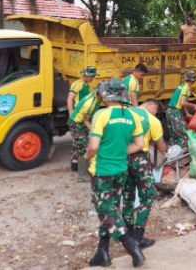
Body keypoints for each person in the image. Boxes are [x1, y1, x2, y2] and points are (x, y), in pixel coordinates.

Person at [84, 78, 146, 268]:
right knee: (111, 210)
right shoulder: (132, 115)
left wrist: (87, 155)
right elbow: (139, 145)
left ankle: (132, 248)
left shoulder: (101, 115)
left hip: (102, 170)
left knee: (105, 210)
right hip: (121, 170)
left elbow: (93, 146)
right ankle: (102, 253)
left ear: (106, 95)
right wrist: (120, 151)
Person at [123, 99, 167, 250]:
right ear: (153, 107)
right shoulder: (152, 120)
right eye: (156, 110)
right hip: (139, 160)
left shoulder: (125, 113)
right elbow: (161, 147)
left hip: (121, 158)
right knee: (146, 197)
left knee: (127, 196)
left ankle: (127, 234)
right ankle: (137, 238)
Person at [68, 81, 105, 182]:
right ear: (100, 93)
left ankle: (80, 166)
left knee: (81, 144)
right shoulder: (90, 104)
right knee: (83, 148)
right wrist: (95, 133)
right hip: (76, 123)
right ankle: (82, 175)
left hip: (80, 121)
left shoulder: (96, 97)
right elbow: (85, 120)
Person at [68, 66, 99, 171]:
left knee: (77, 140)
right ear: (87, 75)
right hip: (78, 117)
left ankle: (75, 162)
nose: (93, 79)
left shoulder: (86, 85)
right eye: (92, 77)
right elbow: (69, 99)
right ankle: (80, 166)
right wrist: (71, 113)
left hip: (82, 115)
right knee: (82, 143)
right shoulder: (78, 84)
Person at [166, 71, 196, 148]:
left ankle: (172, 152)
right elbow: (183, 102)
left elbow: (182, 102)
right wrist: (194, 105)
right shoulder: (187, 88)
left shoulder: (182, 86)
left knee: (174, 135)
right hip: (175, 112)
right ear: (194, 80)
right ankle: (181, 155)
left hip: (169, 111)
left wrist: (187, 113)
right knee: (183, 135)